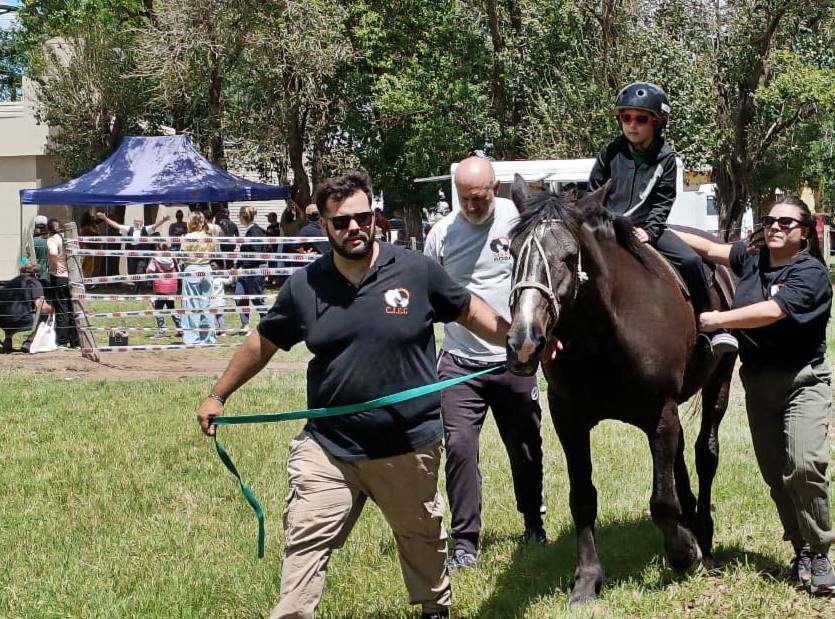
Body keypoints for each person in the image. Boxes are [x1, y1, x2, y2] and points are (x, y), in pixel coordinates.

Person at [196, 170, 514, 619]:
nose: (354, 229)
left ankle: (434, 610)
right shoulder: (306, 286)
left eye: (362, 218)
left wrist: (517, 342)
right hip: (330, 445)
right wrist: (218, 395)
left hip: (407, 446)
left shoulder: (415, 269)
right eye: (341, 222)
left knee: (421, 537)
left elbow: (467, 310)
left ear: (375, 219)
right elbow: (262, 341)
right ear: (323, 226)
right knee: (306, 534)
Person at [672, 196, 834, 594]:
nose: (775, 227)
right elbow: (709, 248)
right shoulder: (752, 259)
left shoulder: (810, 273)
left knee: (804, 464)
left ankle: (821, 551)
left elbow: (773, 311)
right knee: (777, 475)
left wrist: (718, 319)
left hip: (803, 381)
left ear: (805, 233)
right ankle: (801, 550)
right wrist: (653, 229)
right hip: (759, 383)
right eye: (769, 220)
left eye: (786, 222)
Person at [424, 157, 545, 571]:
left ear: (495, 188)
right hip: (460, 362)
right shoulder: (441, 234)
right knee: (458, 448)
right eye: (464, 199)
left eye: (480, 197)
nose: (473, 206)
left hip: (515, 362)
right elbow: (430, 298)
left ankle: (533, 522)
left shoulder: (520, 221)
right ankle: (465, 542)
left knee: (526, 445)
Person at [588, 81, 737, 356]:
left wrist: (651, 231)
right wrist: (599, 224)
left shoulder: (666, 158)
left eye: (640, 118)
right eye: (625, 117)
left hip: (645, 227)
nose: (632, 124)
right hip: (606, 228)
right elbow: (594, 190)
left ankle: (711, 327)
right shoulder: (610, 152)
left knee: (692, 261)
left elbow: (664, 199)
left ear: (656, 122)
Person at [96, 211, 170, 285]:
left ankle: (139, 287)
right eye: (136, 221)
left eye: (139, 221)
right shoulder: (128, 229)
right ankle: (136, 285)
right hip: (131, 256)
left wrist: (163, 220)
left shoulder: (146, 229)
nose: (138, 222)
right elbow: (116, 225)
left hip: (142, 256)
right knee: (131, 273)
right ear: (133, 222)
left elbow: (155, 225)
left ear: (142, 222)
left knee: (140, 270)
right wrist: (105, 218)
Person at [179, 212, 217, 345]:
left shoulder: (188, 237)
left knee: (191, 305)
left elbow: (183, 256)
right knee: (207, 305)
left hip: (192, 269)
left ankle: (192, 338)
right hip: (207, 270)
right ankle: (208, 339)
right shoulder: (209, 236)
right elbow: (214, 253)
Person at [0, 259, 52, 353]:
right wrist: (52, 309)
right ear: (36, 274)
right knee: (46, 314)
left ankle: (8, 340)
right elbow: (40, 305)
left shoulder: (9, 282)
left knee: (11, 313)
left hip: (2, 321)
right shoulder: (34, 283)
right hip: (22, 321)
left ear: (20, 271)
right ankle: (29, 341)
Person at [45, 218, 80, 349]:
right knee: (72, 308)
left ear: (48, 229)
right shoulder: (66, 237)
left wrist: (55, 265)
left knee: (61, 309)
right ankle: (75, 340)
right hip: (70, 276)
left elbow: (53, 252)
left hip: (58, 276)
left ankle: (62, 340)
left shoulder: (52, 239)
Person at [234, 205, 268, 335]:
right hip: (245, 270)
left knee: (256, 298)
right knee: (239, 295)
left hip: (254, 270)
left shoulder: (254, 231)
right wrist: (237, 266)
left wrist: (243, 265)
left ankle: (267, 322)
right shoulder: (250, 231)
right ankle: (245, 324)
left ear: (243, 217)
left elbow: (256, 253)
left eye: (239, 216)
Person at [146, 242, 182, 338]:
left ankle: (162, 331)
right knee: (171, 308)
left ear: (158, 248)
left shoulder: (155, 258)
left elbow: (148, 270)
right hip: (172, 286)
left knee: (158, 309)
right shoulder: (173, 257)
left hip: (160, 286)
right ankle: (181, 329)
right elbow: (179, 270)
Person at [209, 260, 234, 336]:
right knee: (211, 317)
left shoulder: (220, 279)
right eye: (210, 265)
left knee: (219, 316)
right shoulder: (209, 278)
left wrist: (232, 274)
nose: (211, 267)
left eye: (213, 265)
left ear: (219, 267)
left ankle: (223, 331)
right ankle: (214, 331)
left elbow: (229, 281)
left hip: (219, 301)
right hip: (210, 301)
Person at [32, 215, 50, 288]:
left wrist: (23, 268)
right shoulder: (50, 241)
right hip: (47, 275)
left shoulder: (33, 241)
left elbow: (24, 258)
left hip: (34, 276)